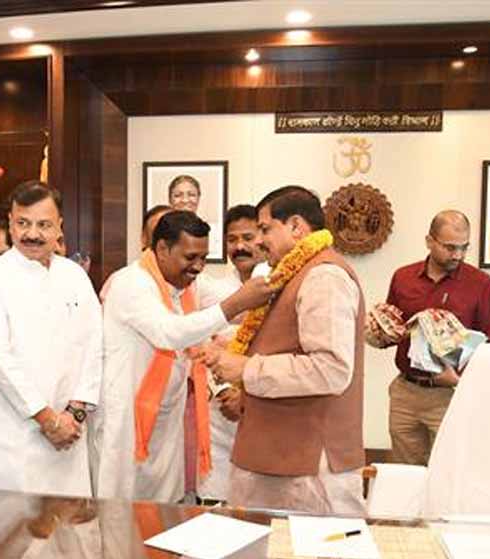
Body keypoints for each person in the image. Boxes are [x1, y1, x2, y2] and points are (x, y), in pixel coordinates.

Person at [204, 186, 366, 514]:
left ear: (295, 226)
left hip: (307, 465)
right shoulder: (294, 273)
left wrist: (246, 368)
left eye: (265, 229)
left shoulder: (324, 276)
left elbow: (330, 369)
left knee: (310, 549)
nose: (259, 241)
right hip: (278, 454)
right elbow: (287, 341)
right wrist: (234, 347)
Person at [97, 210, 274, 502]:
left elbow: (237, 310)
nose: (198, 267)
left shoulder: (189, 282)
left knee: (165, 509)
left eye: (203, 258)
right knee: (122, 513)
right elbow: (169, 332)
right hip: (127, 420)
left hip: (167, 420)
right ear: (162, 249)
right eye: (191, 257)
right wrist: (235, 304)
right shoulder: (132, 283)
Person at [0, 180, 102, 496]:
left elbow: (94, 346)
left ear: (60, 227)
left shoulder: (74, 275)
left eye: (43, 225)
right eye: (23, 223)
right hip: (14, 439)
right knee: (13, 525)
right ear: (10, 224)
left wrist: (74, 413)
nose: (32, 234)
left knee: (70, 524)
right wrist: (47, 419)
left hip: (69, 434)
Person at [376, 210, 490, 465]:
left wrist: (459, 379)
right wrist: (378, 333)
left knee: (447, 473)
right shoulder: (403, 277)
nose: (458, 255)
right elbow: (394, 332)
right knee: (405, 474)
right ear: (429, 241)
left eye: (464, 247)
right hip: (406, 393)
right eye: (450, 247)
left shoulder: (481, 284)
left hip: (450, 395)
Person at [195, 204, 263, 502]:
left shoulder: (282, 286)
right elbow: (201, 344)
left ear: (263, 237)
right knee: (218, 496)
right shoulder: (212, 289)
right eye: (232, 240)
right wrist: (225, 392)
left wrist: (245, 396)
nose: (239, 247)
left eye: (248, 237)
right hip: (221, 408)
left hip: (263, 405)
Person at [100, 205, 172, 304]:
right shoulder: (124, 280)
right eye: (158, 235)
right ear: (143, 239)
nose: (167, 243)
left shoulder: (191, 279)